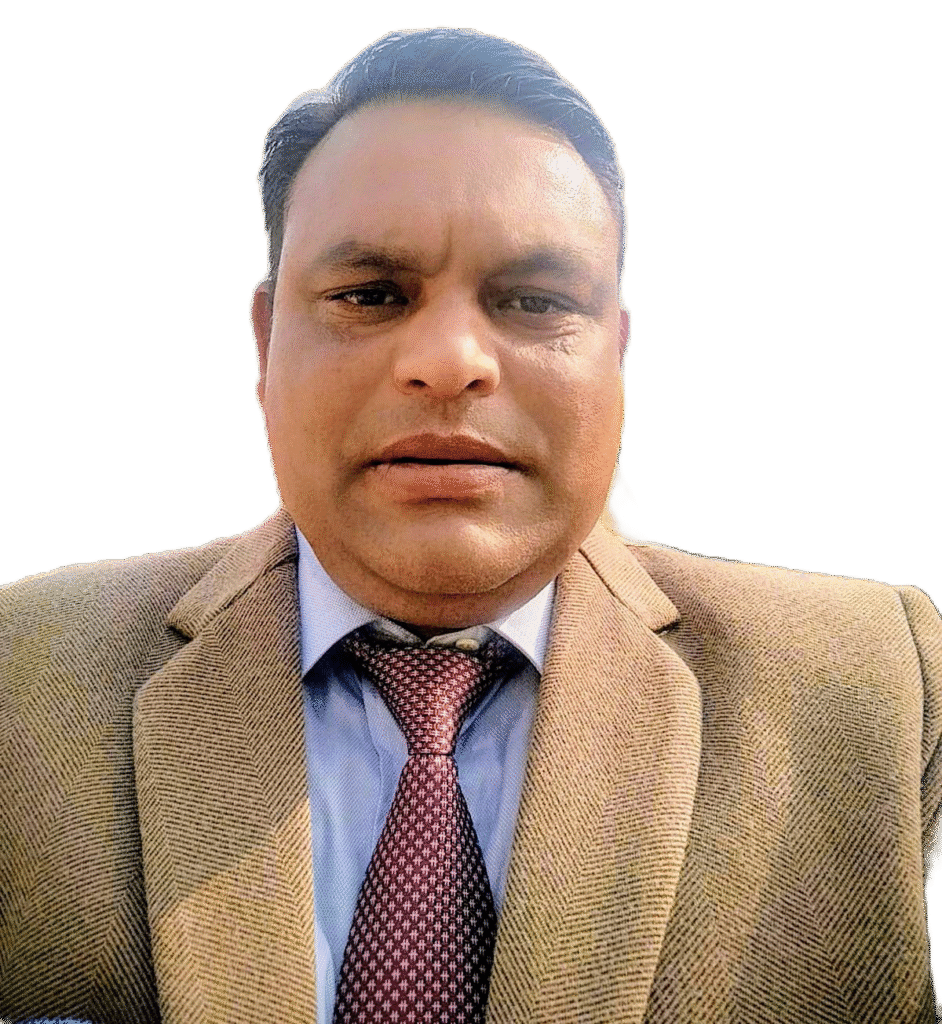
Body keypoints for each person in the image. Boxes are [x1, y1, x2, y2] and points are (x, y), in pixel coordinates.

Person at [1, 26, 940, 1024]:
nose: (450, 361)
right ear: (266, 343)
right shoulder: (25, 685)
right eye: (370, 295)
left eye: (534, 299)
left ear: (617, 355)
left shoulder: (871, 691)